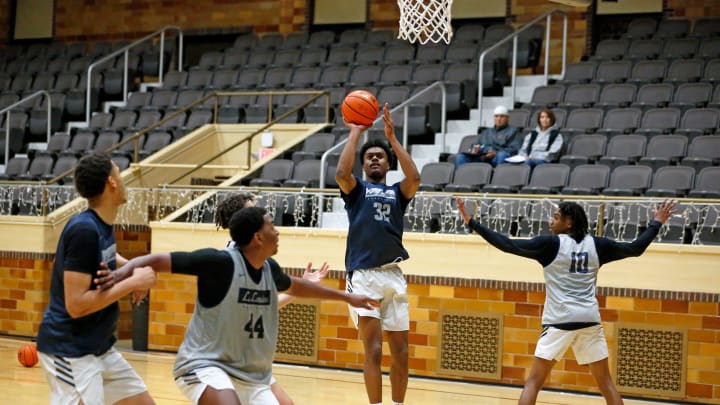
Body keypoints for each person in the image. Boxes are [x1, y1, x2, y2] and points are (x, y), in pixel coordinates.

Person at [96, 206, 379, 405]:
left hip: (252, 375)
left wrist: (346, 297)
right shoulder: (220, 263)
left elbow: (297, 285)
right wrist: (121, 274)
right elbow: (157, 259)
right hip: (205, 364)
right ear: (258, 237)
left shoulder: (270, 270)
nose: (277, 231)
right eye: (272, 226)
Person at [455, 197, 677, 405]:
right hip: (589, 319)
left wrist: (472, 222)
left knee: (533, 382)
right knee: (606, 383)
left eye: (556, 216)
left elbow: (508, 244)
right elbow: (635, 248)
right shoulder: (597, 245)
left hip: (559, 320)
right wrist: (657, 223)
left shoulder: (549, 244)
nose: (550, 221)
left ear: (569, 222)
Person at [36, 153, 157, 405]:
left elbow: (109, 258)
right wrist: (132, 283)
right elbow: (77, 305)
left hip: (98, 346)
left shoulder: (99, 225)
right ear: (111, 182)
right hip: (70, 349)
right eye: (118, 173)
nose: (122, 180)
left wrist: (132, 269)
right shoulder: (84, 230)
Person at [335, 103, 421, 405]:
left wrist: (393, 139)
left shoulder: (398, 192)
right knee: (372, 350)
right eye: (370, 157)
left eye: (380, 156)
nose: (374, 158)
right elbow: (341, 173)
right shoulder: (356, 190)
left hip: (393, 275)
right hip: (364, 276)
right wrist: (356, 133)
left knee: (401, 353)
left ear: (387, 164)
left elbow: (415, 179)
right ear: (364, 165)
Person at [214, 192, 329, 405]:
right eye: (253, 211)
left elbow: (264, 306)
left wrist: (300, 288)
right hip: (229, 360)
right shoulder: (230, 262)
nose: (261, 215)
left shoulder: (257, 260)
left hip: (250, 360)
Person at [455, 105, 522, 167]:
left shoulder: (513, 131)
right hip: (483, 157)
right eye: (496, 116)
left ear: (507, 118)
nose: (499, 119)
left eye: (502, 116)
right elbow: (477, 145)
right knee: (461, 157)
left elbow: (515, 149)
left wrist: (496, 153)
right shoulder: (486, 132)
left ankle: (498, 177)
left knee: (502, 155)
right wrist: (474, 150)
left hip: (497, 158)